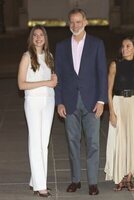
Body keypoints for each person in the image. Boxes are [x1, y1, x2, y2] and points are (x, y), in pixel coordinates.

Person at [55, 8, 108, 195]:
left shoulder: (96, 44)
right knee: (72, 142)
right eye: (72, 22)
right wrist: (59, 102)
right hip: (69, 102)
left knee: (93, 143)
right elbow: (58, 77)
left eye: (79, 21)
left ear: (85, 22)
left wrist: (102, 101)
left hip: (92, 101)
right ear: (68, 23)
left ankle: (92, 182)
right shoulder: (61, 46)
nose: (75, 25)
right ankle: (75, 180)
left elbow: (102, 74)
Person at [104, 36, 134, 191]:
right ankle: (120, 175)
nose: (124, 49)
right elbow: (109, 90)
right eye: (123, 46)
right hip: (118, 102)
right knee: (119, 139)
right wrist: (111, 112)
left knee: (133, 140)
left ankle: (129, 177)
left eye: (128, 46)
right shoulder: (115, 64)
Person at [18, 25, 57, 197]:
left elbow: (51, 79)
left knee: (43, 144)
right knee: (35, 142)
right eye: (35, 35)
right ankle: (40, 186)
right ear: (31, 38)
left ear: (45, 38)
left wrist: (54, 80)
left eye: (41, 35)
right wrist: (46, 83)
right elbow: (21, 85)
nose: (38, 37)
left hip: (48, 101)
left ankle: (36, 180)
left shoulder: (49, 56)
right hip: (33, 102)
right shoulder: (27, 57)